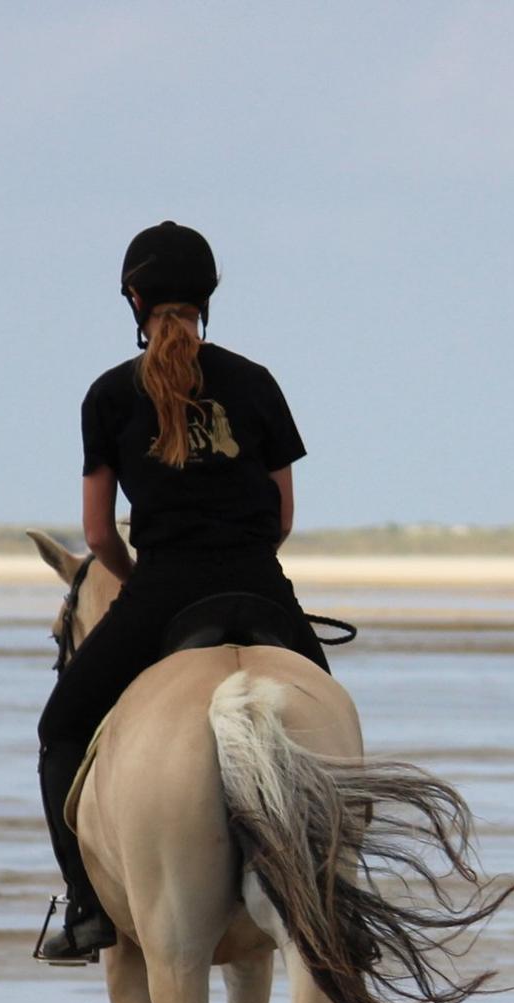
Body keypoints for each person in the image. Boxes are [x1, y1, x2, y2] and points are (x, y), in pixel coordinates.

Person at [37, 220, 330, 964]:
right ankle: (334, 890)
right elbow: (284, 517)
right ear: (206, 301)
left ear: (133, 300)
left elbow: (99, 534)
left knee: (62, 730)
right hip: (261, 586)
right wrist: (246, 565)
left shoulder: (108, 395)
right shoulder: (257, 382)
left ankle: (85, 909)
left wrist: (141, 588)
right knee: (330, 727)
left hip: (165, 590)